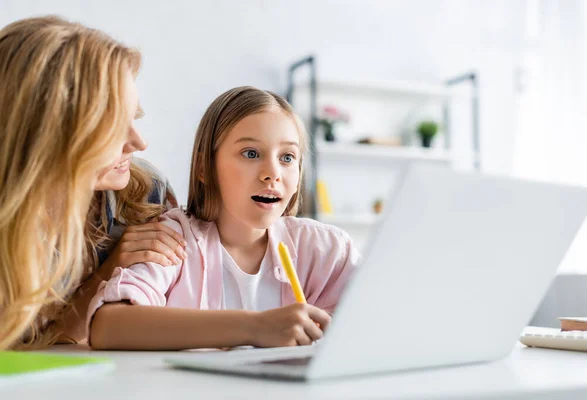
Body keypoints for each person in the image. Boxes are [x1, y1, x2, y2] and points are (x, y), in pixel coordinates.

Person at [88, 86, 360, 350]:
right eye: (251, 153)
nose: (272, 173)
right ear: (205, 167)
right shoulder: (175, 239)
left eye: (288, 157)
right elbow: (107, 327)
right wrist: (255, 327)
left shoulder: (326, 249)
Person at [0, 16, 182, 349]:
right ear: (46, 132)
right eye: (112, 125)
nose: (138, 142)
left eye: (133, 118)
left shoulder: (144, 195)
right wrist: (107, 274)